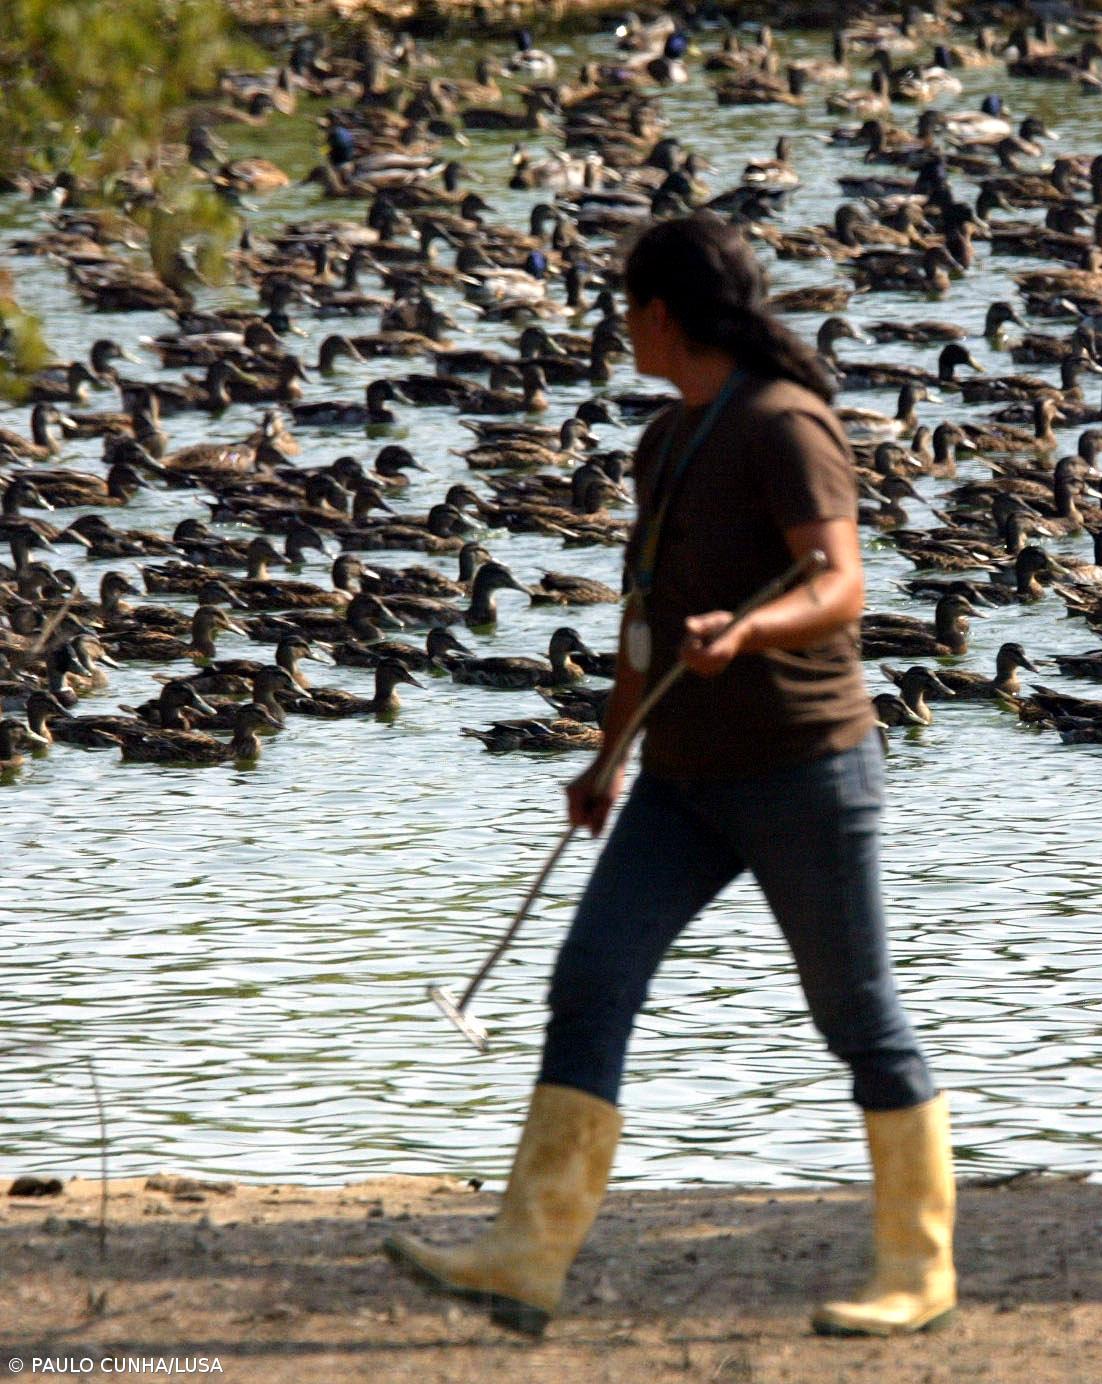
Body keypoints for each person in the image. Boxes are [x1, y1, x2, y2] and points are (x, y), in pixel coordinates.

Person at [384, 212, 955, 1340]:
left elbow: (842, 588)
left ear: (657, 313)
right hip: (681, 783)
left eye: (621, 306)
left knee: (857, 1018)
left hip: (804, 771)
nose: (617, 326)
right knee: (590, 977)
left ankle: (917, 1270)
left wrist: (750, 635)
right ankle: (526, 1257)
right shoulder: (663, 441)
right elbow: (641, 628)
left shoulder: (786, 425)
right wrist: (605, 757)